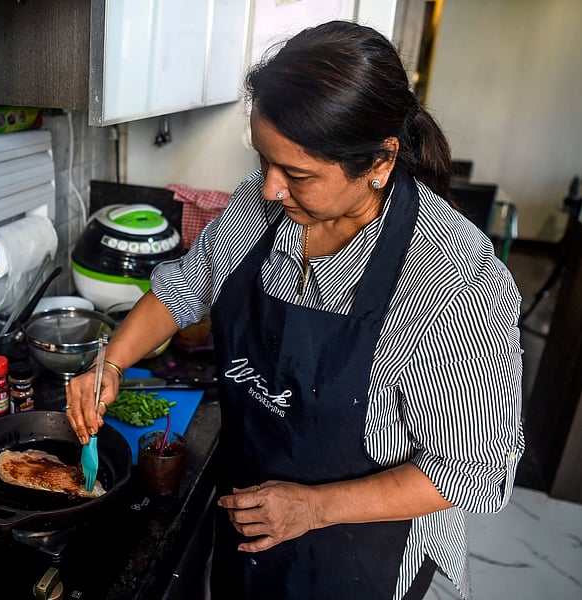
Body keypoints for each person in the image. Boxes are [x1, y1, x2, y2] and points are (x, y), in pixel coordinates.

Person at [64, 20, 524, 600]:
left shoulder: (454, 276)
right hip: (251, 524)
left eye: (298, 174)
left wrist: (313, 508)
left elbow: (473, 475)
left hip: (363, 560)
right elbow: (185, 286)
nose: (271, 188)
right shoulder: (262, 204)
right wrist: (111, 362)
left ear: (380, 162)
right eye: (265, 160)